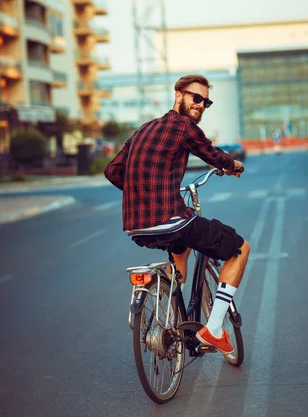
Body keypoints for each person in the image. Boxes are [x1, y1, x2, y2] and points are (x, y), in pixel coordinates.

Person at [104, 74, 250, 355]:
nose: (201, 105)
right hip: (169, 220)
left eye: (206, 102)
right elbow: (210, 153)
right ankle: (215, 329)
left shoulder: (143, 129)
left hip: (136, 226)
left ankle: (172, 325)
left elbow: (113, 170)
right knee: (241, 249)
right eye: (196, 98)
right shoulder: (182, 126)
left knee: (180, 249)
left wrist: (141, 191)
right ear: (179, 95)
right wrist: (233, 165)